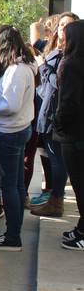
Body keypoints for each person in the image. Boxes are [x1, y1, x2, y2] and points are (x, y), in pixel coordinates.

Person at [0, 26, 37, 252]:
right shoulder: (23, 66)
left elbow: (11, 105)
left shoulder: (17, 69)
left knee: (10, 187)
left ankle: (13, 236)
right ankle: (13, 233)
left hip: (10, 132)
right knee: (15, 185)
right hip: (17, 130)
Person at [31, 12, 79, 216]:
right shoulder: (55, 49)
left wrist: (43, 67)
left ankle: (56, 200)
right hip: (49, 110)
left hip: (57, 115)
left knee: (58, 160)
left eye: (67, 26)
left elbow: (57, 85)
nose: (62, 29)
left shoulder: (71, 56)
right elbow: (35, 40)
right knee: (53, 158)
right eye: (60, 25)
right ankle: (53, 197)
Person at [54, 20, 84, 250]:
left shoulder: (73, 65)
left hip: (74, 134)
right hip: (76, 132)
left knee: (79, 183)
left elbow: (69, 102)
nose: (62, 39)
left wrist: (59, 123)